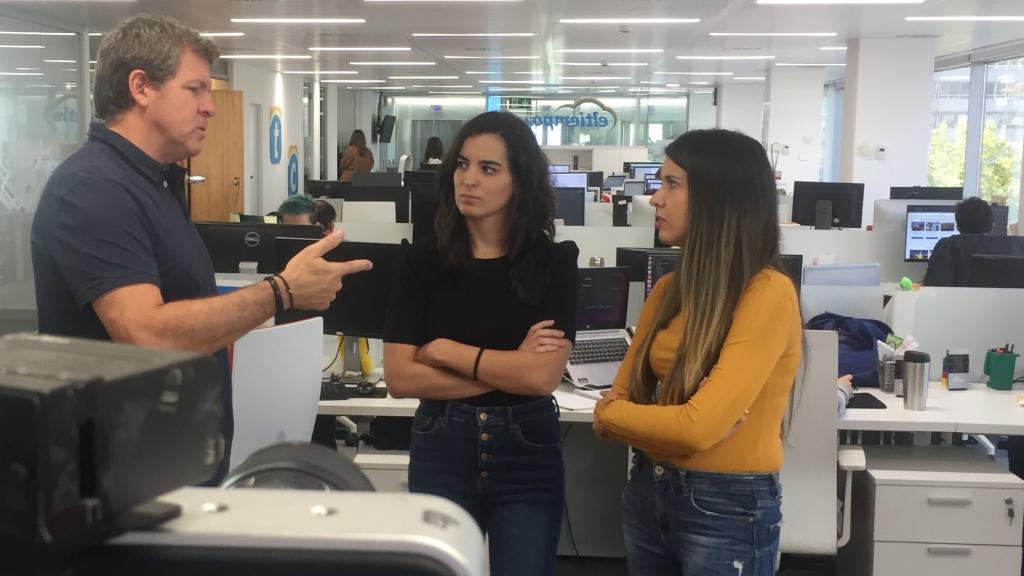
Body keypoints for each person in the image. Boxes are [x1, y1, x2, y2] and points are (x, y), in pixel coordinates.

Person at [30, 13, 372, 483]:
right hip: (123, 477)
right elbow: (147, 335)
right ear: (140, 87)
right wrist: (282, 292)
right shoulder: (96, 189)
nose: (210, 107)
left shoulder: (151, 182)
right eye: (195, 90)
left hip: (171, 460)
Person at [592, 129, 802, 576]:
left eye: (672, 184)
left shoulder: (767, 293)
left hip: (727, 505)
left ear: (719, 198)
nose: (655, 198)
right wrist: (659, 420)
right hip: (649, 489)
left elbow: (693, 429)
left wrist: (620, 417)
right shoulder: (670, 289)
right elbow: (626, 405)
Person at [383, 111, 578, 576]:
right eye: (462, 164)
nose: (468, 179)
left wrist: (448, 353)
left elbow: (542, 377)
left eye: (488, 169)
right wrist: (510, 368)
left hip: (527, 452)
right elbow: (400, 377)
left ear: (520, 182)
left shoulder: (554, 262)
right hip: (442, 444)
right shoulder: (420, 261)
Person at [923, 197, 994, 286]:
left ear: (958, 224)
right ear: (990, 224)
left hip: (951, 295)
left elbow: (931, 282)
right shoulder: (1001, 247)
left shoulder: (945, 245)